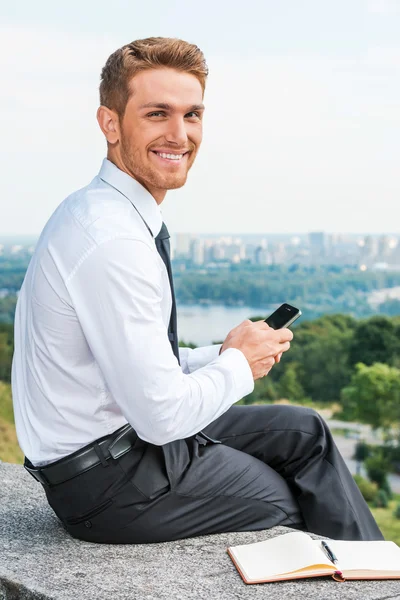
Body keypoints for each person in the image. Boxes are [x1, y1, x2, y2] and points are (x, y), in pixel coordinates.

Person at [11, 37, 383, 544]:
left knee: (306, 433)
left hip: (122, 445)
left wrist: (226, 352)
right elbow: (161, 416)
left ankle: (372, 574)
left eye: (192, 115)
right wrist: (236, 367)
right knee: (282, 498)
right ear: (110, 123)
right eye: (157, 114)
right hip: (111, 483)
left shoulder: (104, 211)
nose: (179, 134)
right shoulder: (113, 240)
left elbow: (135, 365)